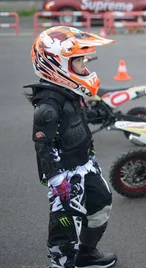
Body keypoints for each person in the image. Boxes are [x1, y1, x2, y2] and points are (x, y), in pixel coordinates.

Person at [24, 26, 118, 268]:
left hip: (85, 163)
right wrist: (56, 181)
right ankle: (62, 263)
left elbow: (79, 128)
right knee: (66, 224)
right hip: (63, 174)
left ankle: (86, 254)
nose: (84, 67)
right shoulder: (48, 105)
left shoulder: (70, 91)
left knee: (101, 203)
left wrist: (91, 155)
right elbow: (42, 147)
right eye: (79, 62)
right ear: (57, 66)